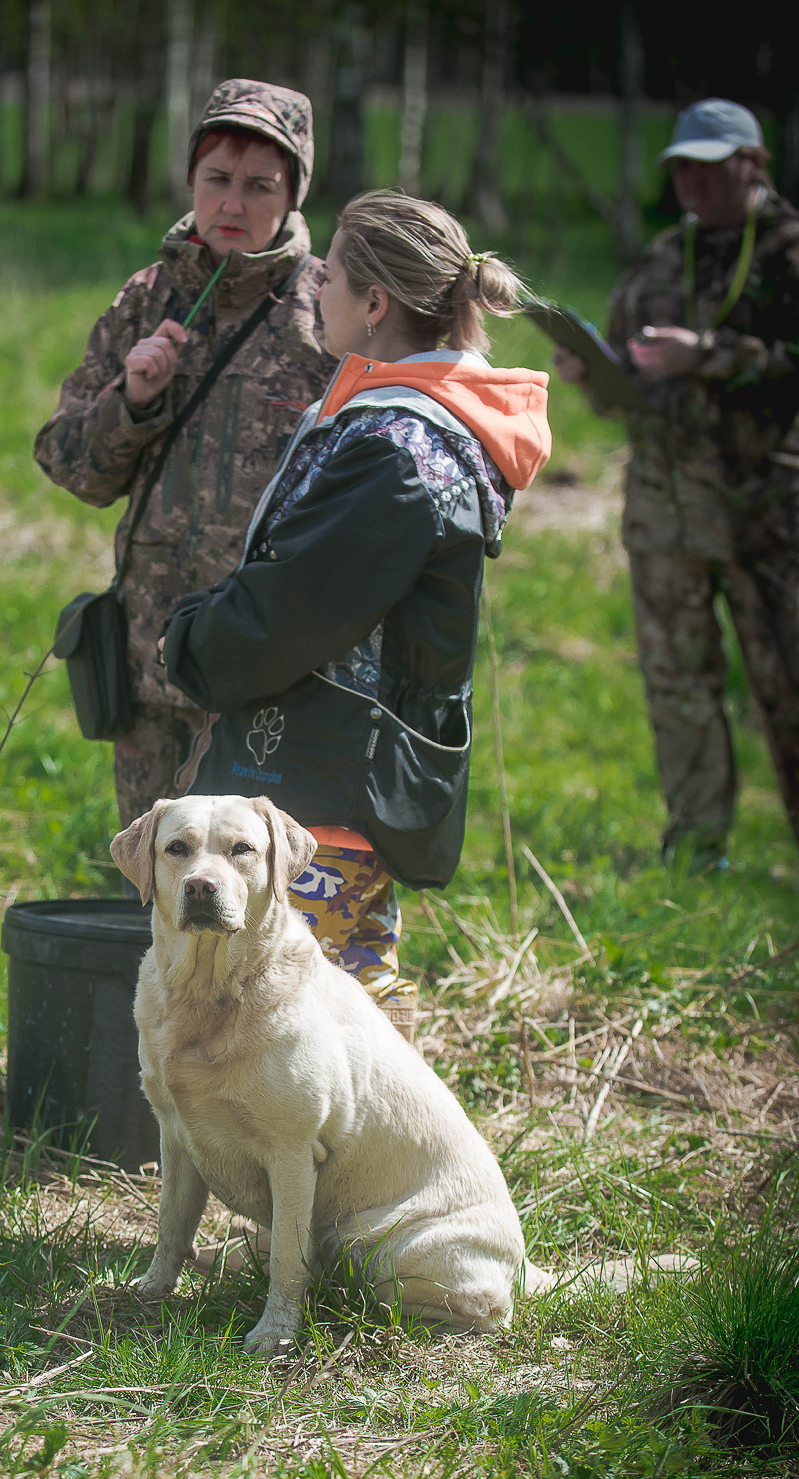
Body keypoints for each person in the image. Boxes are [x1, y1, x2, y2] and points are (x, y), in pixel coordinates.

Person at [160, 192, 550, 1036]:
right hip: (339, 772)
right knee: (339, 1015)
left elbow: (292, 611)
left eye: (329, 277)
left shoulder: (395, 450)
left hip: (321, 780)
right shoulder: (406, 420)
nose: (315, 290)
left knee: (299, 1035)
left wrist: (187, 642)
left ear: (374, 305)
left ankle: (376, 1169)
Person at [34, 80, 334, 828]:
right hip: (149, 660)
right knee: (157, 885)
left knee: (258, 892)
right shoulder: (147, 298)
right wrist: (131, 401)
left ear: (294, 193)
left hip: (272, 669)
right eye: (216, 180)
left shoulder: (330, 309)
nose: (232, 205)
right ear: (192, 182)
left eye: (259, 186)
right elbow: (72, 468)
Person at [554, 99, 799, 868]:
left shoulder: (788, 254)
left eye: (708, 165)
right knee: (677, 686)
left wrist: (714, 355)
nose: (690, 180)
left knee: (784, 685)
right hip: (663, 514)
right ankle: (696, 850)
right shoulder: (660, 258)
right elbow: (621, 375)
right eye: (680, 167)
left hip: (766, 512)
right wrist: (592, 375)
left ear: (751, 164)